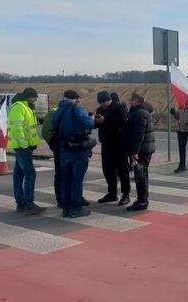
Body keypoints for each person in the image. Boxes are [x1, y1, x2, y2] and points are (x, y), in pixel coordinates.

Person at [53, 90, 99, 218]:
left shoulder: (57, 111)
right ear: (75, 99)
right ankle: (76, 208)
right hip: (77, 150)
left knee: (65, 180)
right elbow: (89, 124)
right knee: (76, 181)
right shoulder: (77, 109)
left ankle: (66, 209)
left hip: (63, 150)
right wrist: (91, 118)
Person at [7, 88, 44, 215]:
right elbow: (17, 127)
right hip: (22, 147)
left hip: (25, 146)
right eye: (34, 97)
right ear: (28, 96)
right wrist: (24, 145)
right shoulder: (19, 107)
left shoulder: (27, 106)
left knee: (18, 174)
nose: (36, 99)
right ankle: (29, 204)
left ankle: (21, 203)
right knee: (30, 174)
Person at [96, 91, 131, 205]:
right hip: (106, 143)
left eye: (104, 102)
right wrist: (95, 121)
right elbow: (98, 125)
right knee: (108, 170)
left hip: (118, 143)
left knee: (122, 170)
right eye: (100, 103)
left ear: (109, 99)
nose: (102, 105)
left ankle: (126, 194)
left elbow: (122, 122)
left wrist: (105, 121)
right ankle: (112, 193)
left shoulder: (120, 106)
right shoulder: (100, 109)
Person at [122, 92, 155, 210]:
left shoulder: (140, 113)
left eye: (130, 99)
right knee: (140, 174)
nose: (128, 101)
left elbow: (138, 134)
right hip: (140, 149)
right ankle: (141, 199)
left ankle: (142, 201)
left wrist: (135, 152)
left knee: (141, 175)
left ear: (136, 100)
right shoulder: (137, 111)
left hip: (141, 150)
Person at [41, 103, 63, 207]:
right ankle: (62, 199)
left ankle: (64, 198)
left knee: (63, 174)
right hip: (61, 148)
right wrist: (54, 144)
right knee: (62, 174)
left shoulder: (55, 112)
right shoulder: (55, 113)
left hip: (62, 148)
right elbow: (46, 131)